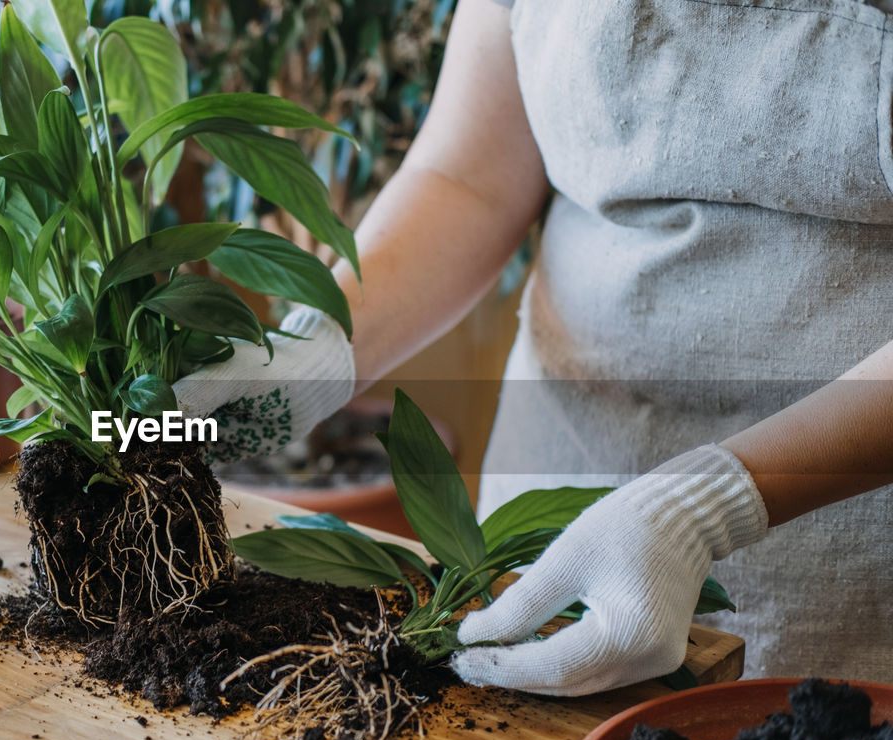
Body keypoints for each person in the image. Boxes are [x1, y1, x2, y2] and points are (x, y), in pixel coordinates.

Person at [175, 0, 893, 696]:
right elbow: (470, 176)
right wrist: (315, 348)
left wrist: (709, 506)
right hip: (550, 499)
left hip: (837, 561)